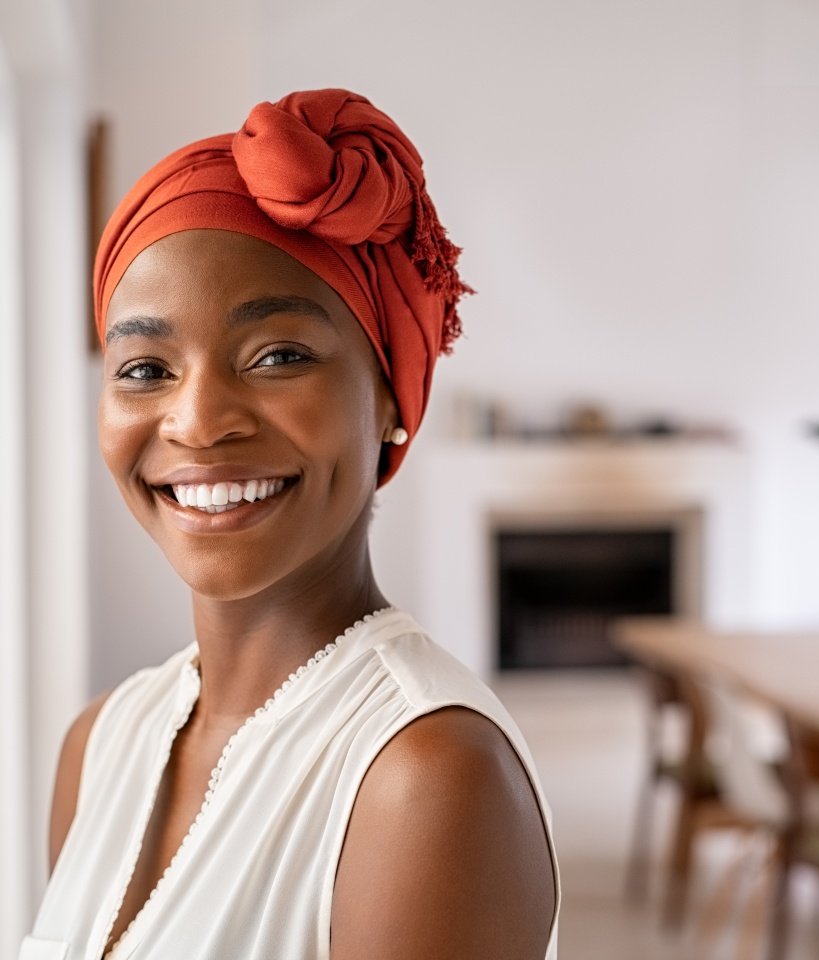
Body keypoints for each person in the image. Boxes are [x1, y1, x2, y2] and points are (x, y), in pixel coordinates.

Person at [19, 89, 558, 960]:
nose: (197, 422)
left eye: (279, 356)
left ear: (389, 396)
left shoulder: (424, 779)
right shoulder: (99, 743)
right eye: (145, 367)